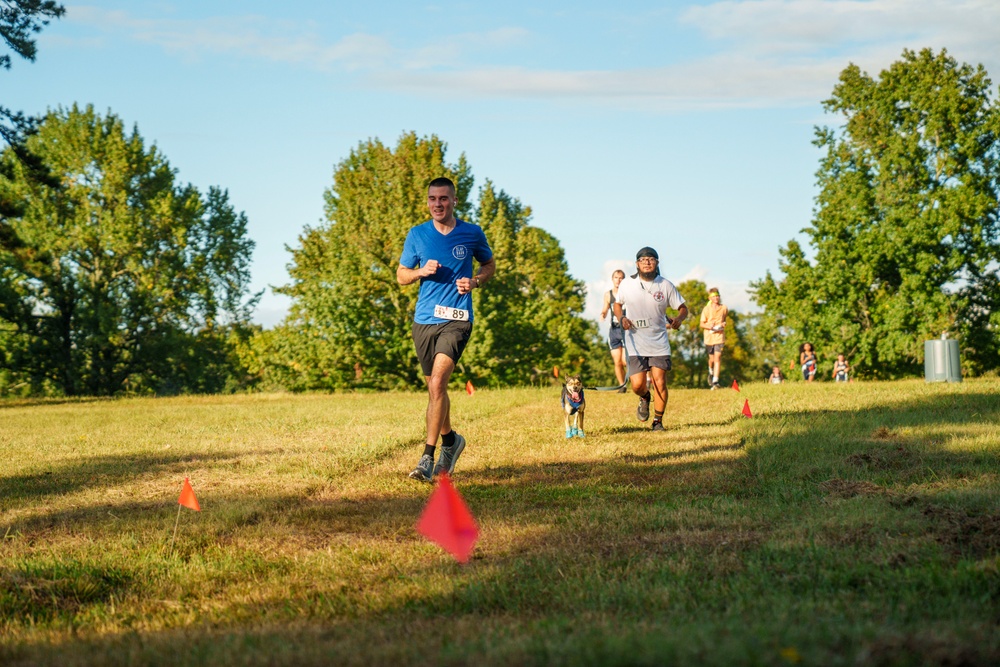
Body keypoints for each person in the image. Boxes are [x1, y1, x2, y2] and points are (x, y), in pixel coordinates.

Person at [397, 177, 496, 482]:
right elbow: (401, 275)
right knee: (434, 389)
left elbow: (489, 265)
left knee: (439, 382)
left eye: (443, 198)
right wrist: (419, 272)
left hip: (457, 318)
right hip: (424, 320)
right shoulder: (417, 235)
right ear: (427, 202)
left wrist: (475, 281)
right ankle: (452, 441)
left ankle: (427, 457)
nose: (437, 204)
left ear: (455, 201)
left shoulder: (471, 233)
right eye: (432, 199)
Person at [613, 246, 688, 432]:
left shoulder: (666, 285)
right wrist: (621, 318)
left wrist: (678, 319)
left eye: (651, 259)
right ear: (637, 264)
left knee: (659, 381)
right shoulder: (626, 285)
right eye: (643, 259)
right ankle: (645, 397)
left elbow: (683, 308)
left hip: (659, 341)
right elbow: (617, 304)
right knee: (637, 385)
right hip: (635, 342)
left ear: (657, 263)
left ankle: (658, 422)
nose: (647, 261)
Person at [600, 269, 628, 391]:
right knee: (618, 362)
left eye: (621, 278)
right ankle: (622, 385)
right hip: (614, 331)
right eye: (616, 277)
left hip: (627, 330)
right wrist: (603, 314)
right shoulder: (608, 294)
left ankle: (643, 379)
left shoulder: (628, 294)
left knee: (626, 361)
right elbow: (605, 308)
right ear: (612, 279)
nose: (618, 280)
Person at [699, 287, 729, 390]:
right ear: (710, 298)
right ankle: (710, 371)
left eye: (718, 295)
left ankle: (716, 381)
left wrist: (723, 324)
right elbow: (701, 324)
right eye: (714, 296)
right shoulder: (706, 309)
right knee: (711, 359)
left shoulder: (724, 308)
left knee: (718, 357)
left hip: (719, 336)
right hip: (709, 337)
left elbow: (724, 319)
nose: (716, 298)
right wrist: (709, 326)